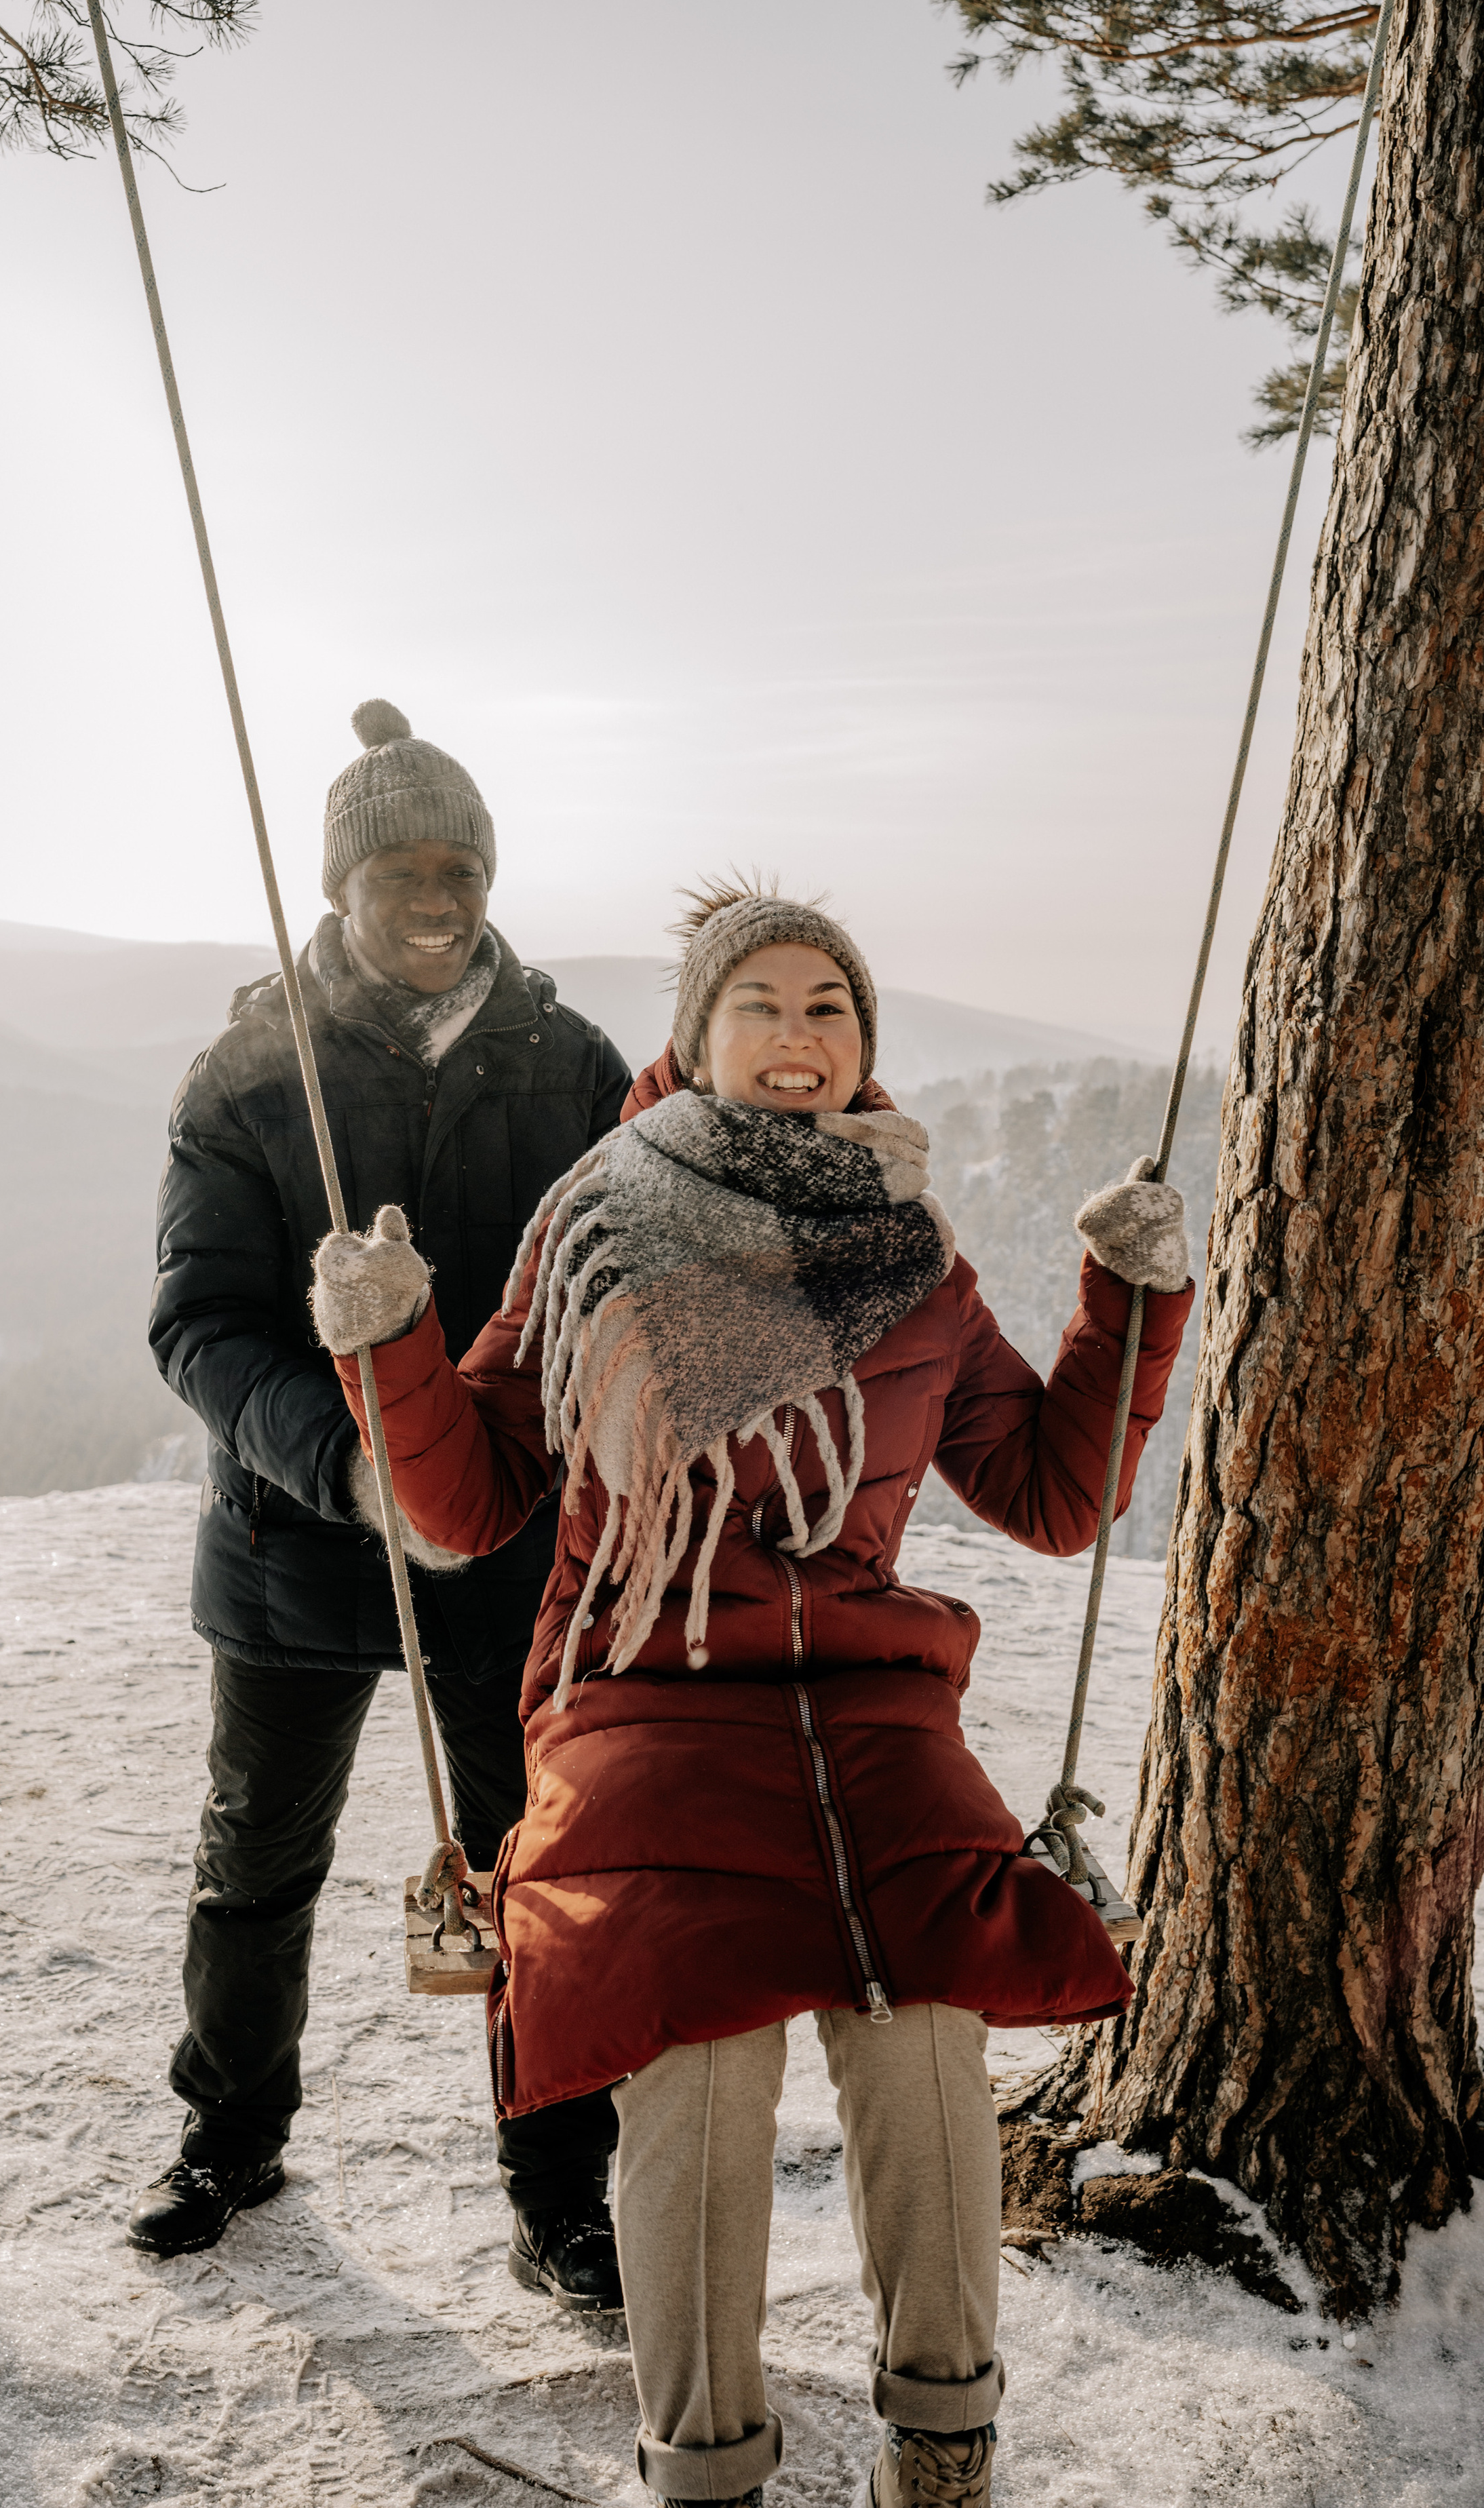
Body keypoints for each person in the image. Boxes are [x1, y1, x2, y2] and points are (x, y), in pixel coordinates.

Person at [312, 881, 1195, 2508]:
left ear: (862, 1044)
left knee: (924, 2013)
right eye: (762, 1005)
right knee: (695, 2033)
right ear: (697, 1033)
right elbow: (469, 1499)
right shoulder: (593, 1233)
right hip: (643, 1700)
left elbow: (1053, 1494)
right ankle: (705, 2469)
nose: (798, 1039)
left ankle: (942, 2443)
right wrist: (392, 1350)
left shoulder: (915, 1262)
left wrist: (1119, 1314)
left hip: (867, 1701)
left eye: (828, 1009)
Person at [130, 699, 631, 2307]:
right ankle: (227, 2138)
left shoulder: (572, 1067)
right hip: (291, 1540)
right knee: (258, 1857)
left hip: (503, 1544)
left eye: (463, 865)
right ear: (340, 881)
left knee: (529, 1866)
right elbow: (198, 1321)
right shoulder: (246, 1069)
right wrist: (347, 1465)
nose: (438, 894)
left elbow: (626, 1288)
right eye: (402, 866)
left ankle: (559, 2193)